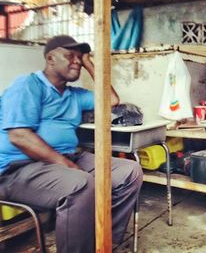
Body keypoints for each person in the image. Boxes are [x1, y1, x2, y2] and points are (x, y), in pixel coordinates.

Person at [0, 35, 143, 253]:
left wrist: (88, 63)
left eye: (80, 57)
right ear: (50, 58)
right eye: (70, 56)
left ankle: (102, 241)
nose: (76, 61)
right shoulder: (28, 85)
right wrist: (67, 166)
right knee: (82, 184)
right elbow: (20, 136)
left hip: (67, 159)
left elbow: (112, 101)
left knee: (129, 171)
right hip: (20, 168)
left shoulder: (74, 94)